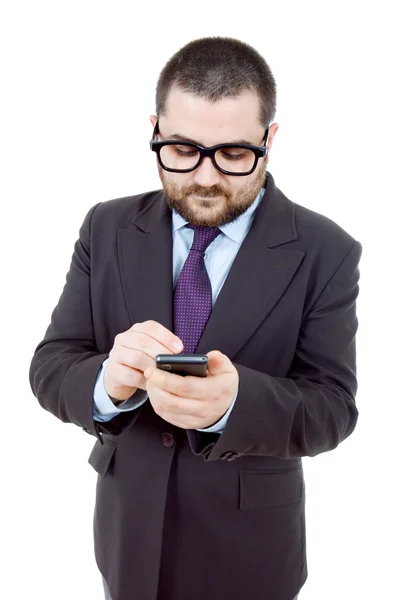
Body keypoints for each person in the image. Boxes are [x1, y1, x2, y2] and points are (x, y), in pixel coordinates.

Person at [29, 36, 362, 600]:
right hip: (127, 535)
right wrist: (107, 383)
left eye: (233, 153)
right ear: (154, 130)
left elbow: (332, 408)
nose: (206, 178)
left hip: (252, 547)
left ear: (269, 140)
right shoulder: (105, 228)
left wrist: (237, 404)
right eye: (182, 149)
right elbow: (51, 365)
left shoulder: (326, 249)